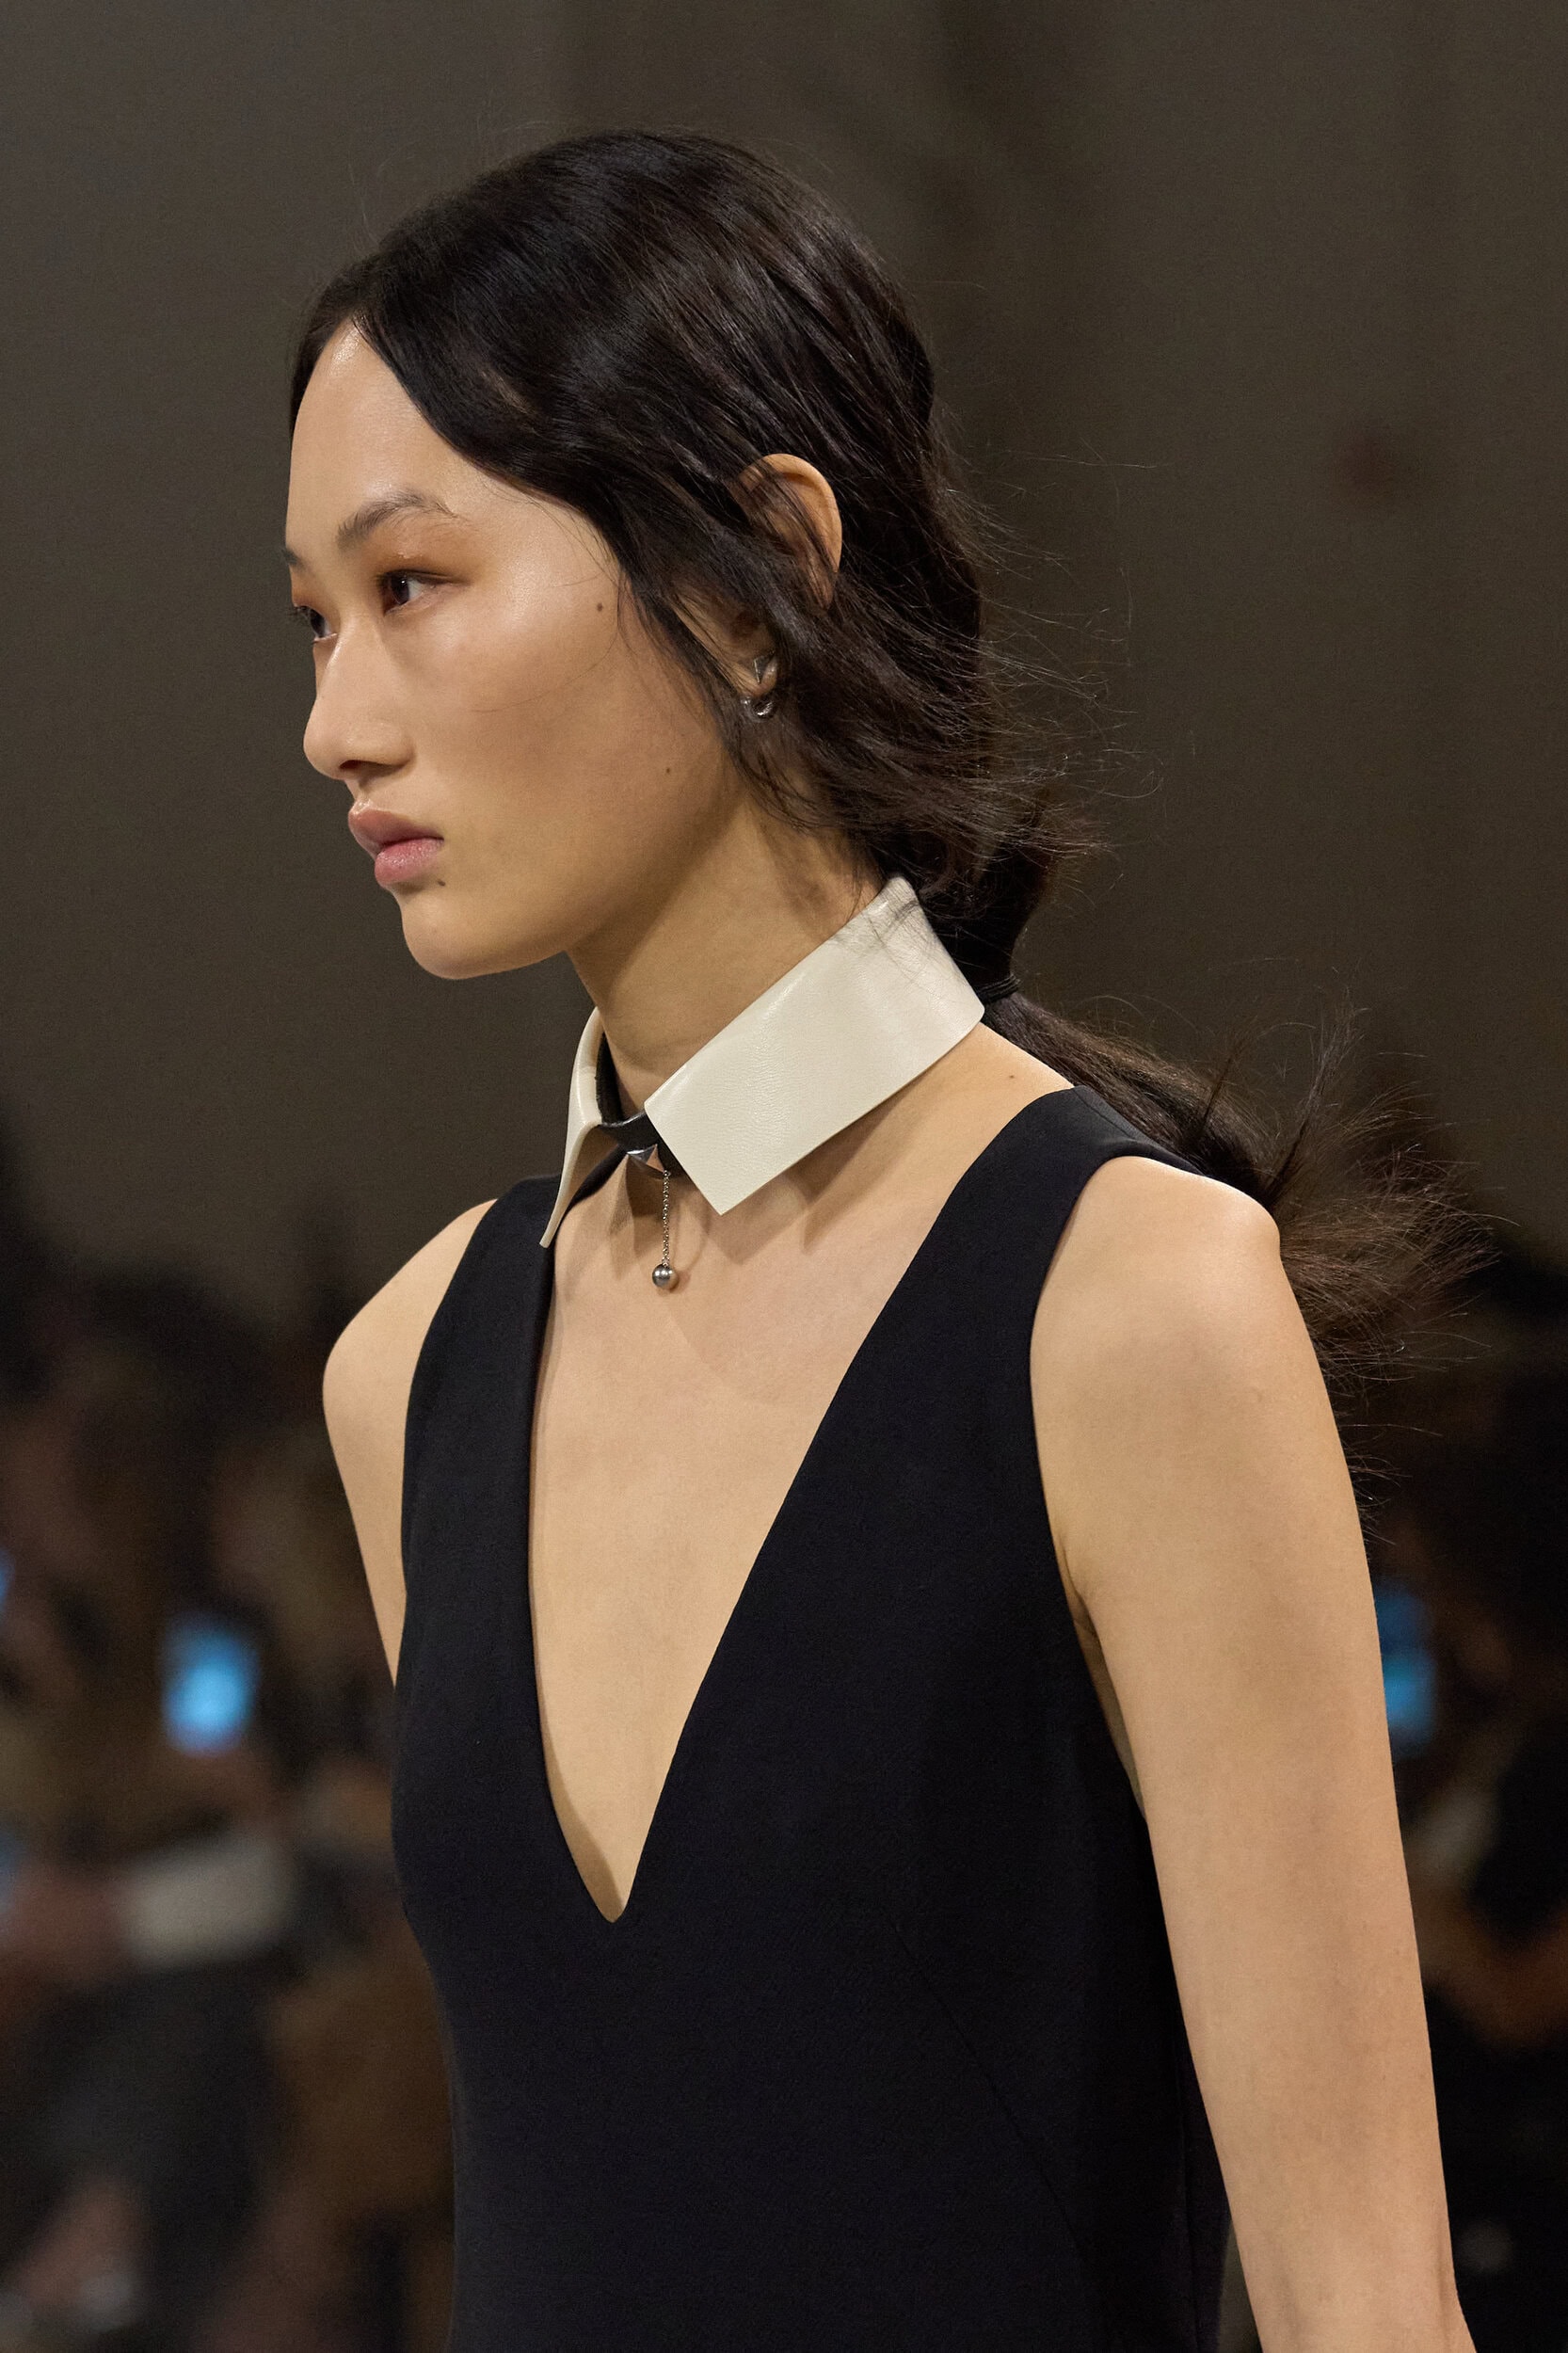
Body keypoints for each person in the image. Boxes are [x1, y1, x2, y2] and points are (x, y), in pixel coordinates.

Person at [286, 129, 1478, 2352]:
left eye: (413, 583)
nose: (335, 721)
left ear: (759, 574)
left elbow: (1362, 2305)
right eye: (315, 620)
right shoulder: (408, 1370)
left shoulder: (1128, 1306)